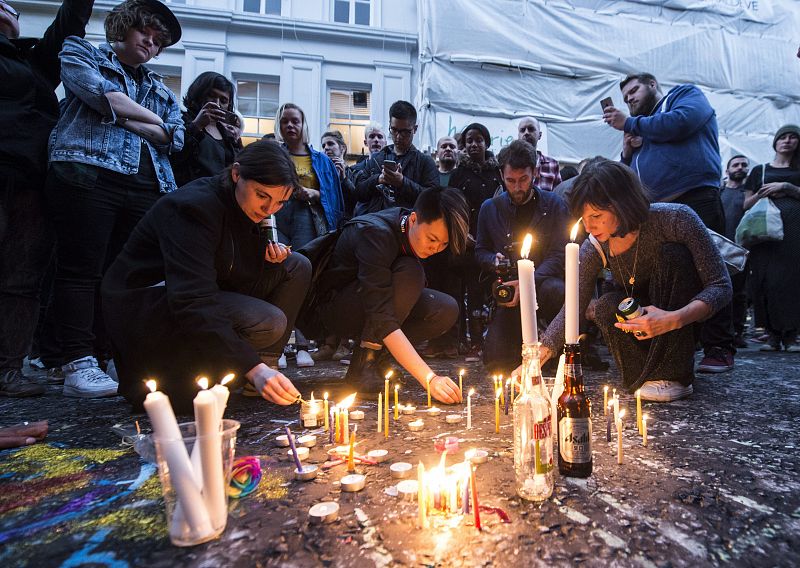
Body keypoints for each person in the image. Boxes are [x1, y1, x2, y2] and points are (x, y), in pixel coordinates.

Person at [102, 141, 310, 413]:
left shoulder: (247, 208)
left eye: (280, 202)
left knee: (296, 265)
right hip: (150, 307)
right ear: (237, 174)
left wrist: (270, 263)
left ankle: (263, 368)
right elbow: (192, 299)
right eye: (262, 195)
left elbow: (236, 277)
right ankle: (247, 371)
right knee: (268, 321)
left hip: (202, 293)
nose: (269, 209)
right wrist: (251, 368)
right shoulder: (194, 209)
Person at [46, 0, 184, 398]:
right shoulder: (81, 51)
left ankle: (111, 355)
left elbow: (173, 136)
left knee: (124, 276)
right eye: (147, 34)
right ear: (125, 26)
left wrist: (122, 112)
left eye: (158, 43)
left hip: (147, 185)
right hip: (86, 172)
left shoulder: (161, 87)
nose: (151, 45)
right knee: (80, 268)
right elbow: (97, 93)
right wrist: (138, 116)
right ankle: (76, 359)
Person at [537, 159, 732, 402]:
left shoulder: (675, 219)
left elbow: (721, 286)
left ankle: (675, 376)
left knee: (672, 255)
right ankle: (644, 376)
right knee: (606, 305)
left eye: (596, 215)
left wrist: (674, 318)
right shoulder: (595, 244)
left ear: (622, 205)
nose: (589, 226)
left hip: (679, 312)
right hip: (635, 321)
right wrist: (540, 353)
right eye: (583, 217)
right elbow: (574, 305)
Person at [603, 72, 736, 374]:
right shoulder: (642, 132)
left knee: (711, 267)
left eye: (634, 91)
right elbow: (629, 180)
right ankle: (679, 344)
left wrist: (631, 123)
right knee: (672, 271)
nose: (630, 99)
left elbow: (682, 122)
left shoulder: (684, 95)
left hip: (695, 196)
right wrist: (627, 152)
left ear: (652, 85)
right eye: (625, 98)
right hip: (658, 210)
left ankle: (719, 346)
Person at [0, 0, 94, 398]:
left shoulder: (33, 63)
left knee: (23, 278)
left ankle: (7, 369)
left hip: (30, 174)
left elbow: (68, 22)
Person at [312, 186, 469, 403]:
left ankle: (379, 358)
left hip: (374, 305)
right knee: (411, 272)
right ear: (413, 219)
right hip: (335, 308)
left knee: (445, 308)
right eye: (432, 239)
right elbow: (380, 313)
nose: (435, 248)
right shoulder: (377, 234)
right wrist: (429, 378)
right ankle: (363, 364)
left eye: (443, 244)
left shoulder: (411, 231)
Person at [475, 140, 568, 373]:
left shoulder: (554, 205)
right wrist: (493, 260)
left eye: (523, 180)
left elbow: (560, 253)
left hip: (545, 284)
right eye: (510, 181)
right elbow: (480, 251)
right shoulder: (490, 208)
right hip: (507, 291)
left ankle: (559, 343)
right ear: (501, 175)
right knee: (496, 361)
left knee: (560, 292)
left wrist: (529, 281)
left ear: (535, 173)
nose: (517, 188)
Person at [273, 103, 345, 367]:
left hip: (307, 217)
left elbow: (333, 196)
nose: (290, 126)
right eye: (285, 122)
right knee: (275, 276)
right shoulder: (274, 155)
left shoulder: (320, 160)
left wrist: (314, 194)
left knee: (302, 278)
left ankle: (302, 344)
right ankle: (276, 346)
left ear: (304, 125)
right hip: (277, 216)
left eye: (295, 121)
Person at [742, 125, 800, 352]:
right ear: (775, 142)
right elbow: (746, 204)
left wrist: (786, 187)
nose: (787, 141)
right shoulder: (760, 171)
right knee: (765, 279)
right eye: (783, 137)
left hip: (794, 229)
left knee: (792, 279)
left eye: (793, 137)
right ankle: (772, 333)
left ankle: (792, 334)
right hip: (764, 229)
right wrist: (763, 192)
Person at [449, 123, 503, 361]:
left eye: (478, 140)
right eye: (469, 140)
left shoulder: (497, 171)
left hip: (491, 240)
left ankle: (495, 341)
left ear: (487, 143)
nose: (474, 144)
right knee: (471, 290)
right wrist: (462, 234)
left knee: (492, 292)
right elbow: (451, 205)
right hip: (468, 240)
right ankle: (474, 342)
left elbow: (501, 205)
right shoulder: (459, 174)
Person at [353, 100, 438, 213]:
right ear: (390, 125)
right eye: (394, 130)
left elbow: (433, 200)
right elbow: (358, 193)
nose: (398, 137)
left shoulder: (425, 162)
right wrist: (378, 179)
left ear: (415, 129)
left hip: (408, 226)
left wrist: (402, 182)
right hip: (376, 225)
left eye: (405, 132)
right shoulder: (376, 159)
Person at [170, 71, 243, 187]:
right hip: (189, 194)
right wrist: (196, 126)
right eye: (211, 96)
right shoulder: (180, 120)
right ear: (199, 94)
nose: (217, 103)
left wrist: (236, 141)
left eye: (223, 101)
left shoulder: (226, 133)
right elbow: (174, 156)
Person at [720, 155, 750, 348]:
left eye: (744, 165)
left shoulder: (749, 194)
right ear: (727, 170)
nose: (740, 167)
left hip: (741, 250)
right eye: (736, 165)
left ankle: (736, 332)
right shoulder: (718, 192)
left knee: (739, 293)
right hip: (718, 249)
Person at [517, 116, 562, 192]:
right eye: (522, 130)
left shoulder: (552, 164)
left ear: (540, 135)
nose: (526, 132)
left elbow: (558, 196)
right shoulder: (510, 163)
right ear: (518, 136)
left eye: (531, 129)